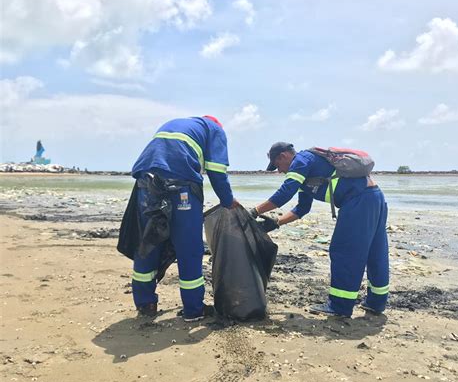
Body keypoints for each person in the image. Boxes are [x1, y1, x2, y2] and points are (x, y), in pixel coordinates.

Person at [251, 142, 389, 317]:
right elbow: (302, 208)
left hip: (358, 201)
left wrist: (254, 211)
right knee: (375, 252)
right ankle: (376, 303)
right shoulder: (307, 172)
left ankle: (340, 306)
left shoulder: (301, 161)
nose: (279, 171)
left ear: (284, 156)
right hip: (374, 198)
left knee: (344, 251)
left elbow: (284, 193)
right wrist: (277, 222)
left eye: (277, 166)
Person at [128, 115, 238, 322]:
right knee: (189, 248)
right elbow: (216, 171)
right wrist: (228, 201)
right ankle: (193, 310)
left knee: (148, 243)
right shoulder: (215, 130)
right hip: (181, 187)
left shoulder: (177, 124)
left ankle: (145, 304)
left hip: (146, 184)